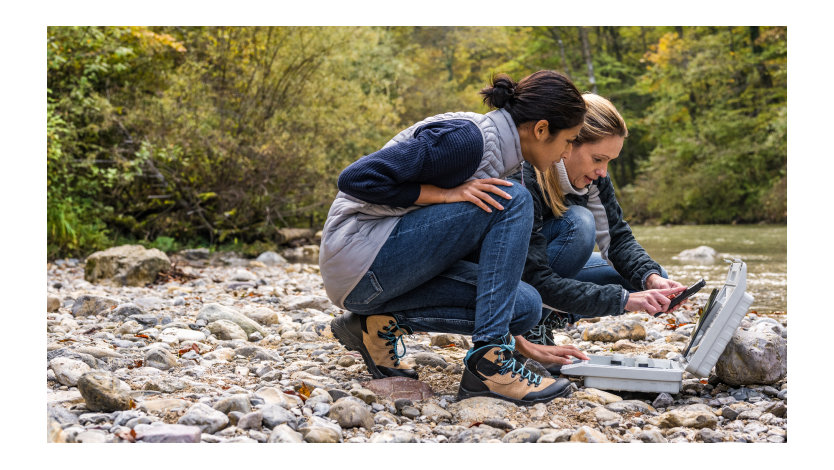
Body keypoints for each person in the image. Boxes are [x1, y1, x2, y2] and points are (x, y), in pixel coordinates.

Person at [319, 70, 589, 405]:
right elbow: (355, 178)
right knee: (512, 199)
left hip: (383, 274)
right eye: (568, 140)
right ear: (541, 129)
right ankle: (489, 366)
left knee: (524, 307)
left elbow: (498, 269)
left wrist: (521, 342)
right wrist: (445, 195)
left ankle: (372, 325)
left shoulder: (510, 159)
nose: (566, 154)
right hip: (358, 256)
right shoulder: (466, 139)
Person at [509, 93, 686, 364]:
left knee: (648, 277)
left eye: (609, 162)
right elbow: (534, 276)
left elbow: (617, 239)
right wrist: (625, 301)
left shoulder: (595, 178)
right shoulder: (525, 175)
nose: (603, 171)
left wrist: (651, 280)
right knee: (579, 225)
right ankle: (529, 328)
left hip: (544, 272)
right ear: (570, 142)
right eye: (598, 159)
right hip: (518, 279)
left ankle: (549, 319)